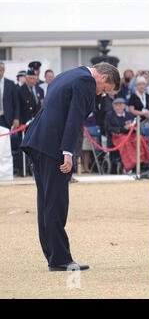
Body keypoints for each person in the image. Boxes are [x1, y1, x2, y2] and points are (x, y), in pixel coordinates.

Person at [20, 62, 120, 271]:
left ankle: (53, 254)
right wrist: (67, 151)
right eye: (104, 89)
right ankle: (59, 259)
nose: (100, 93)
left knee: (46, 201)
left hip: (37, 141)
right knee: (56, 202)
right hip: (53, 146)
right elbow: (74, 117)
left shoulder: (68, 74)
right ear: (102, 77)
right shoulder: (85, 81)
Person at [0, 62, 20, 130]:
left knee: (6, 139)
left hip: (6, 119)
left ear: (3, 71)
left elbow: (16, 103)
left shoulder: (10, 84)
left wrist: (16, 118)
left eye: (0, 70)